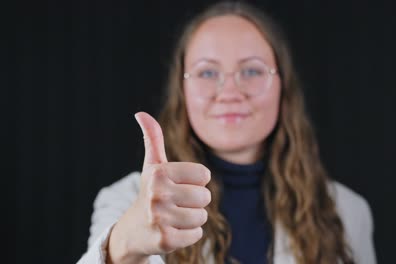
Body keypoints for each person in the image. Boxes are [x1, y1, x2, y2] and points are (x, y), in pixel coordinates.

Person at [77, 1, 376, 264]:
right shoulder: (127, 199)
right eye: (208, 72)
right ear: (182, 91)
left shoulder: (348, 211)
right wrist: (126, 243)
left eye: (252, 71)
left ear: (283, 88)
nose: (230, 91)